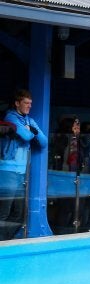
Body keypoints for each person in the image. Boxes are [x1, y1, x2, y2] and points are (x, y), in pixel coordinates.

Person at [0, 90, 48, 241]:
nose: (29, 106)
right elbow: (28, 136)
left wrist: (30, 131)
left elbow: (44, 142)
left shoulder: (29, 120)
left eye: (31, 104)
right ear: (17, 103)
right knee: (4, 212)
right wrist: (31, 132)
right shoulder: (10, 117)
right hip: (7, 171)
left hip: (22, 173)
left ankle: (5, 242)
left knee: (19, 213)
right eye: (26, 103)